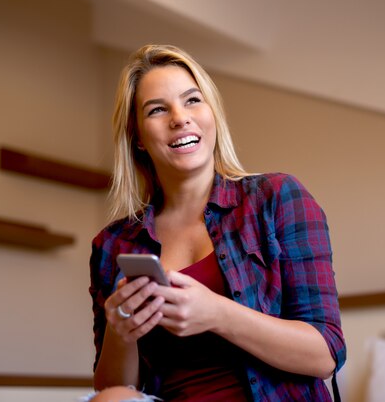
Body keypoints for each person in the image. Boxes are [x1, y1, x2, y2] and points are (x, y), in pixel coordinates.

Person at [88, 44, 346, 401]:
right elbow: (112, 387)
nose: (180, 118)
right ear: (138, 137)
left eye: (192, 100)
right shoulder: (113, 244)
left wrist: (217, 314)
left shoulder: (275, 197)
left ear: (212, 114)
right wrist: (121, 332)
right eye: (158, 109)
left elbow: (326, 354)